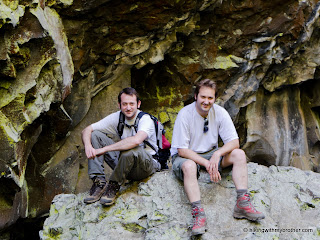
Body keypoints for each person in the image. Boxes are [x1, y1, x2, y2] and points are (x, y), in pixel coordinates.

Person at [171, 79, 265, 236]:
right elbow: (182, 150)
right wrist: (207, 163)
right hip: (186, 156)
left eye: (210, 98)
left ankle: (242, 203)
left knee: (239, 154)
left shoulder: (220, 112)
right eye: (203, 97)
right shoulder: (185, 114)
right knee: (189, 166)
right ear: (196, 96)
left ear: (214, 99)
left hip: (210, 152)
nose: (206, 101)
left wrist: (217, 154)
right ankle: (198, 214)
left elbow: (234, 142)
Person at [81, 87, 161, 206]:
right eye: (124, 104)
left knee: (131, 150)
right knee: (95, 135)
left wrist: (103, 149)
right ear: (119, 105)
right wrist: (88, 146)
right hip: (125, 164)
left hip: (146, 165)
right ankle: (99, 183)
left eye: (131, 104)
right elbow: (87, 130)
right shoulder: (117, 117)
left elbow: (136, 141)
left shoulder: (145, 119)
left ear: (138, 104)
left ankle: (113, 185)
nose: (128, 108)